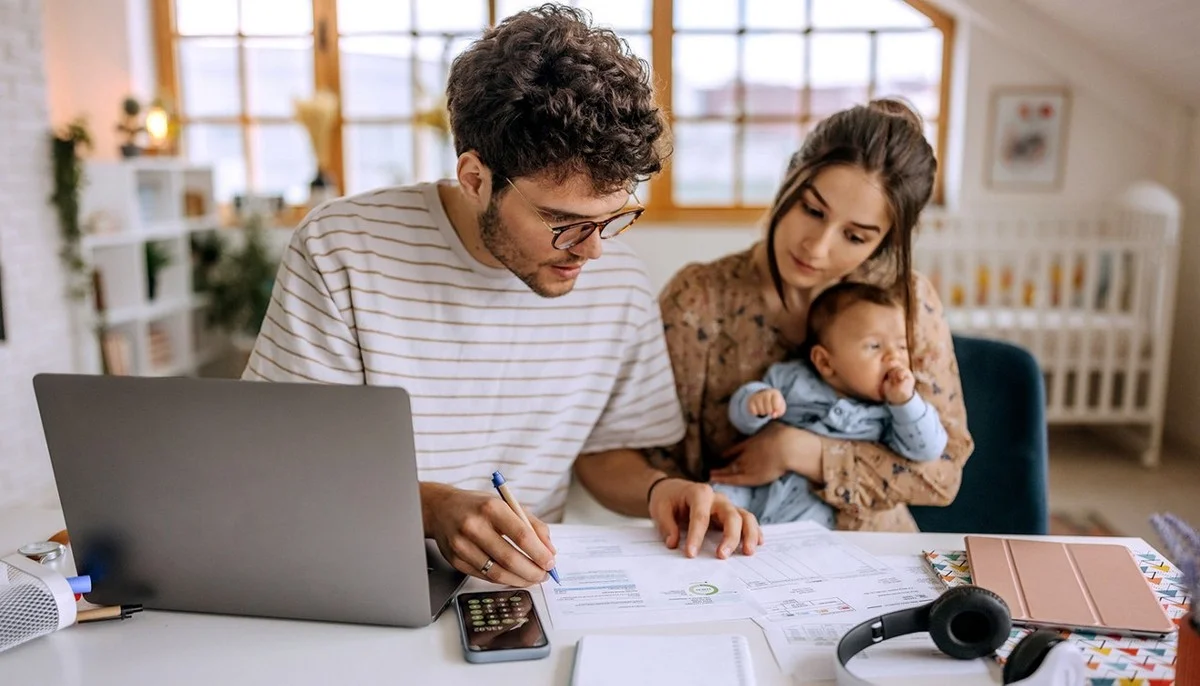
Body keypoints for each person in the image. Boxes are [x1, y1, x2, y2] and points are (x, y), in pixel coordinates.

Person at [240, 4, 762, 589]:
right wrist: (433, 509)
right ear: (474, 178)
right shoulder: (344, 249)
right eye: (563, 221)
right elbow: (283, 465)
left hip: (528, 589)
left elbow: (603, 454)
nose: (592, 252)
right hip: (359, 572)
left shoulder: (618, 281)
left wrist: (660, 490)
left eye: (612, 218)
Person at [652, 98, 974, 532]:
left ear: (884, 243)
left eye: (855, 236)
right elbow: (650, 461)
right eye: (812, 210)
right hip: (730, 549)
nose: (817, 247)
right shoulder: (698, 300)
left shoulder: (907, 302)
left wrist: (798, 450)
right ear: (789, 178)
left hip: (873, 557)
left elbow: (942, 473)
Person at [717, 281, 949, 527]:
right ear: (826, 363)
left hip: (814, 503)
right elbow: (742, 422)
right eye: (874, 346)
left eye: (902, 346)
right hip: (757, 488)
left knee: (810, 535)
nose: (894, 357)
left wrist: (905, 402)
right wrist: (755, 402)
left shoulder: (891, 413)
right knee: (717, 498)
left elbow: (927, 449)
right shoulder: (793, 379)